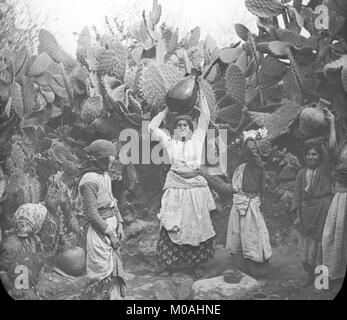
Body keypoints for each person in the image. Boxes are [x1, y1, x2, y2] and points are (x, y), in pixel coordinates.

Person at [148, 91, 216, 278]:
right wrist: (166, 109)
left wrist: (200, 93)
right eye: (178, 125)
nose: (182, 127)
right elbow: (153, 127)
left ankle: (196, 265)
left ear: (191, 128)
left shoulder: (197, 139)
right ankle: (168, 264)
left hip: (195, 189)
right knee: (171, 223)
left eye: (185, 124)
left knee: (196, 225)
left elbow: (206, 116)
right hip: (176, 188)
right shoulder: (170, 143)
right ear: (174, 129)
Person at [290, 111, 336, 286]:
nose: (311, 157)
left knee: (321, 245)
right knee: (306, 245)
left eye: (314, 154)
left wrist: (331, 124)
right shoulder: (301, 173)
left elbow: (332, 149)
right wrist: (297, 215)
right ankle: (310, 276)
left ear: (320, 156)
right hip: (306, 212)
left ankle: (322, 280)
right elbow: (297, 195)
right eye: (308, 154)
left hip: (322, 210)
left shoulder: (324, 169)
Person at [77, 139, 126, 300]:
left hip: (111, 226)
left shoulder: (104, 175)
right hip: (100, 232)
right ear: (100, 158)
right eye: (110, 155)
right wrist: (110, 234)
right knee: (102, 272)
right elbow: (91, 214)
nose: (113, 159)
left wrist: (119, 223)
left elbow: (112, 201)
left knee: (113, 270)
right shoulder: (89, 180)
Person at [226, 128, 272, 278]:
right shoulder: (242, 166)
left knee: (252, 237)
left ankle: (257, 271)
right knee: (237, 237)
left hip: (250, 205)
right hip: (238, 204)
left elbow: (252, 149)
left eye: (249, 148)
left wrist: (249, 137)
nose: (248, 151)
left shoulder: (257, 164)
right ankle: (243, 269)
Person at [0, 203, 47, 299]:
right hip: (16, 289)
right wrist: (13, 286)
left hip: (26, 283)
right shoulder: (13, 245)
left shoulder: (31, 239)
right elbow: (2, 271)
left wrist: (37, 282)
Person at [322, 113, 347, 288]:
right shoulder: (344, 142)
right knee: (331, 237)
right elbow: (333, 150)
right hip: (340, 196)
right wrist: (331, 123)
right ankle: (333, 275)